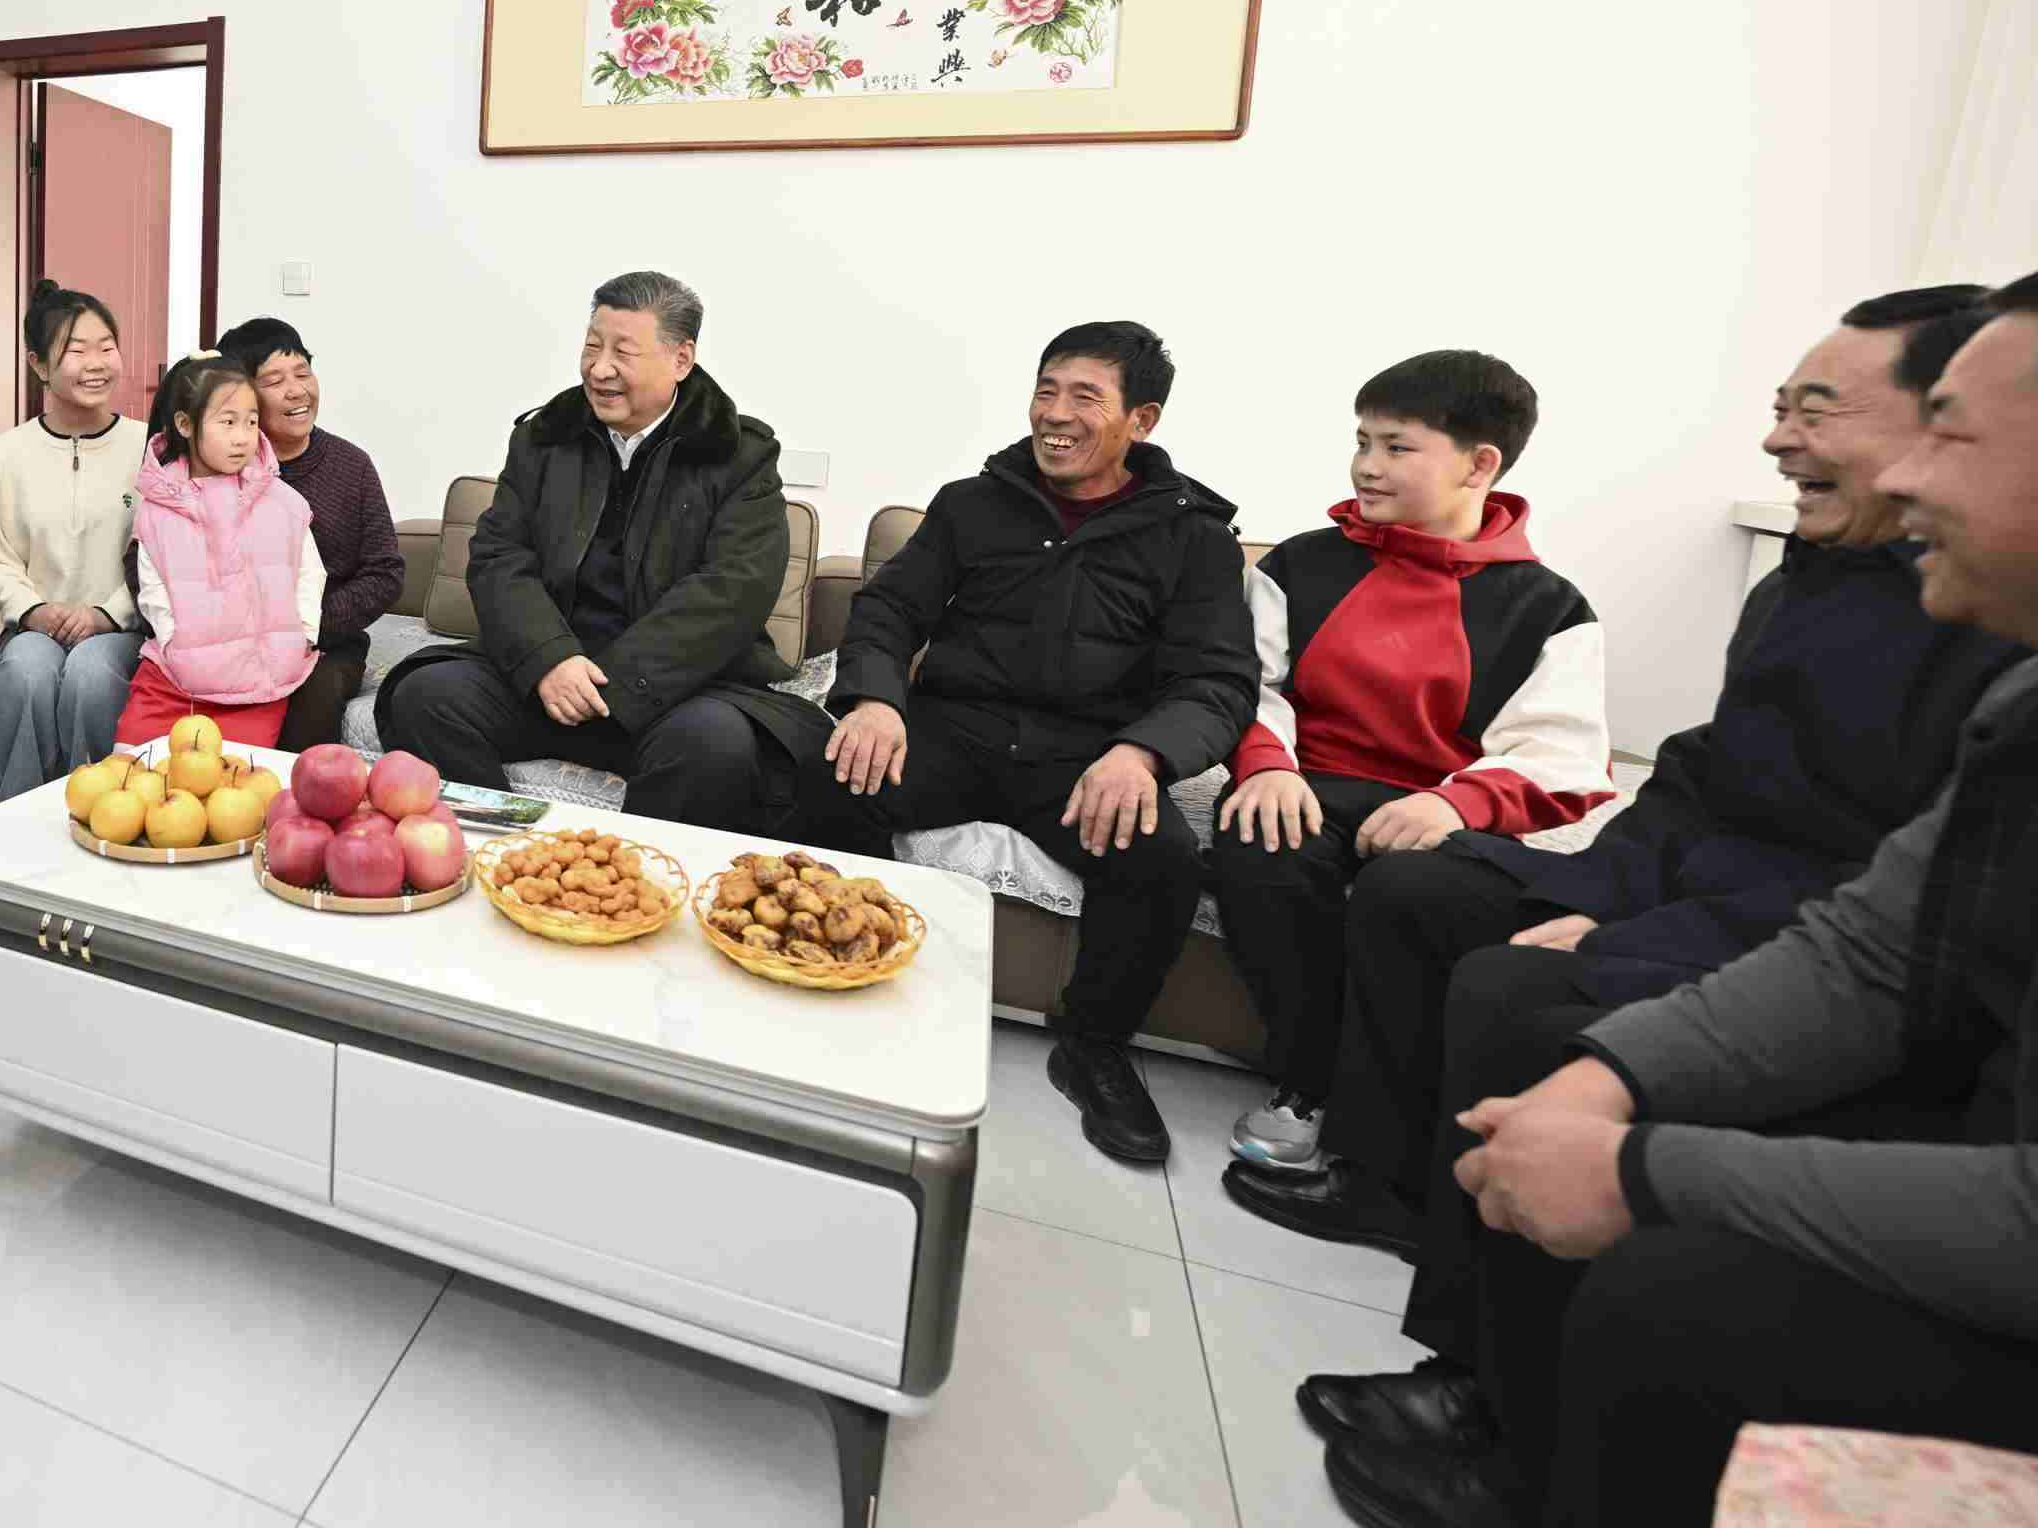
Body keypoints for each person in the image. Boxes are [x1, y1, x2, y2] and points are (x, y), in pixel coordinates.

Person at [1304, 278, 2038, 1528]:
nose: (1778, 441)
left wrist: (1641, 1146)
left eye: (1948, 434)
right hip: (1703, 887)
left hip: (1782, 940)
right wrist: (1609, 939)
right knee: (1429, 901)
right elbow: (1816, 889)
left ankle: (1510, 1426)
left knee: (1532, 1014)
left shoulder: (1971, 644)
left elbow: (1849, 898)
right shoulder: (1829, 598)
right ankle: (1435, 1285)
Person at [800, 320, 1255, 1163]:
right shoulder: (973, 504)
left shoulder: (1193, 538)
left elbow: (1217, 681)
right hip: (955, 730)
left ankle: (1094, 1047)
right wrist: (875, 699)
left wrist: (1143, 754)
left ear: (1141, 420)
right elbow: (889, 610)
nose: (1055, 414)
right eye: (1046, 391)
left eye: (1085, 397)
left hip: (1088, 756)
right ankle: (846, 978)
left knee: (1161, 857)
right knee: (828, 777)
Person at [1212, 351, 1611, 1178]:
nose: (1367, 465)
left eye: (1397, 447)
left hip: (1443, 809)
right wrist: (1268, 766)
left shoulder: (1551, 608)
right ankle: (1311, 1082)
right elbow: (1248, 683)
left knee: (1415, 896)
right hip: (1310, 787)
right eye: (1362, 441)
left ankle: (1387, 1118)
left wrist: (1455, 805)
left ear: (1480, 465)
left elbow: (1561, 753)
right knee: (1260, 843)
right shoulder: (1299, 565)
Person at [378, 271, 830, 839]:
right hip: (551, 675)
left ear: (681, 359)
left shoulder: (739, 454)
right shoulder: (546, 436)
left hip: (673, 690)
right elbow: (499, 555)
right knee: (428, 697)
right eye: (592, 346)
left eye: (623, 352)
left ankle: (631, 880)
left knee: (714, 744)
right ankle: (504, 856)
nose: (599, 368)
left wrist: (613, 684)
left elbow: (734, 590)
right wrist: (548, 659)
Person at [0, 282, 144, 797]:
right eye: (76, 350)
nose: (97, 363)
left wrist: (107, 614)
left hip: (123, 628)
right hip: (33, 627)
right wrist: (36, 611)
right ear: (39, 365)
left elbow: (165, 554)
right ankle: (17, 816)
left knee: (92, 675)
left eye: (106, 347)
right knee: (25, 672)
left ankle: (104, 811)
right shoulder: (7, 454)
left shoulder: (148, 447)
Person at [113, 350, 323, 746]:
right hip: (173, 680)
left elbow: (310, 574)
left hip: (259, 684)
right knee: (132, 767)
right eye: (228, 422)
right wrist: (173, 642)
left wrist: (304, 637)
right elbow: (152, 583)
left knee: (233, 779)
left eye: (251, 422)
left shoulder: (285, 503)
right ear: (185, 424)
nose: (242, 437)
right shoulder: (158, 508)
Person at [215, 316, 405, 751]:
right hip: (229, 638)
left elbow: (385, 573)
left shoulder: (351, 465)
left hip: (326, 644)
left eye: (303, 373)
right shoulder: (217, 465)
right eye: (274, 381)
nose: (297, 390)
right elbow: (154, 552)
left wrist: (305, 626)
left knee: (314, 693)